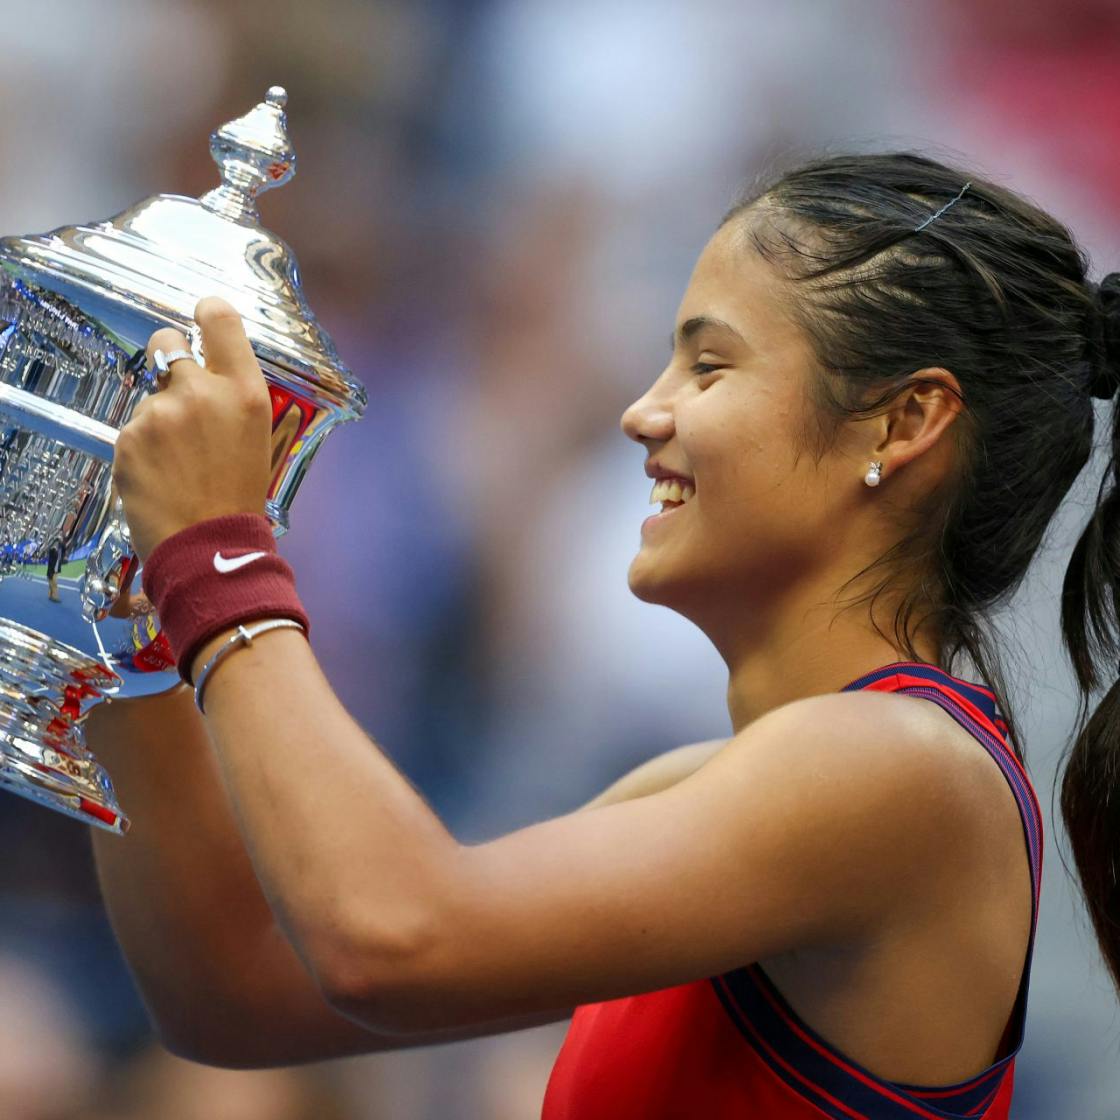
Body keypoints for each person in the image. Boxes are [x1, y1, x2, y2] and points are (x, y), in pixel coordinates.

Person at [90, 151, 1119, 1118]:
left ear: (901, 425)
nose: (641, 412)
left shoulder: (899, 768)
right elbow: (234, 989)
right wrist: (117, 600)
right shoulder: (712, 786)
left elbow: (388, 936)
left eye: (709, 367)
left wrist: (218, 555)